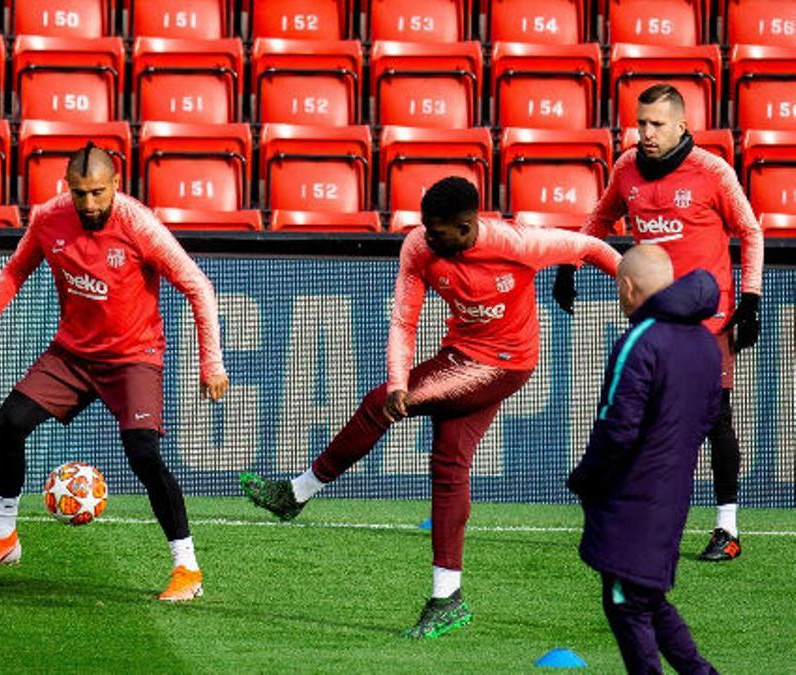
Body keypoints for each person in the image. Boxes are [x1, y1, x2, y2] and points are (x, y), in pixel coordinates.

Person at [240, 177, 621, 638]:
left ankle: (296, 494)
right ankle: (447, 598)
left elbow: (591, 246)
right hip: (457, 354)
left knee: (379, 404)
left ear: (466, 226)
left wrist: (636, 292)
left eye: (439, 231)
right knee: (447, 466)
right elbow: (403, 321)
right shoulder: (419, 249)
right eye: (425, 227)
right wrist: (401, 380)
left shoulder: (519, 242)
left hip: (505, 363)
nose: (428, 237)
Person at [0, 144, 229, 601]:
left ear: (116, 184)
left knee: (143, 453)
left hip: (133, 357)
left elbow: (198, 287)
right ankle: (3, 538)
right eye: (80, 193)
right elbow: (16, 270)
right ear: (68, 188)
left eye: (98, 193)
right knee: (7, 424)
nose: (89, 204)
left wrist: (212, 363)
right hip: (72, 357)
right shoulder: (48, 217)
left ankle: (187, 569)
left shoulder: (139, 225)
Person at [553, 83, 764, 561]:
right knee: (643, 419)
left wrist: (750, 297)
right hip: (650, 320)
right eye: (641, 123)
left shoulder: (713, 172)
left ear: (682, 126)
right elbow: (601, 216)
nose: (645, 133)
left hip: (707, 320)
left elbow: (750, 230)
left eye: (656, 124)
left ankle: (726, 530)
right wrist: (572, 262)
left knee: (714, 420)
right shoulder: (626, 167)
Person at [569, 245, 721, 675]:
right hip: (672, 496)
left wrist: (587, 479)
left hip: (631, 499)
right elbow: (709, 419)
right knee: (646, 597)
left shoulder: (639, 340)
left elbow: (618, 427)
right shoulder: (706, 344)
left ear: (627, 287)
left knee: (627, 605)